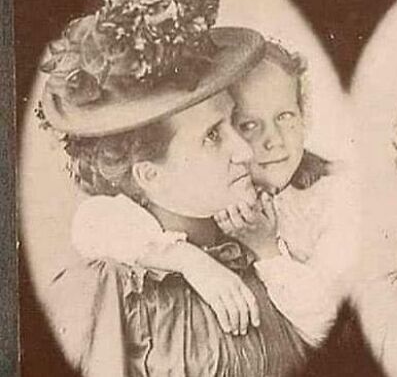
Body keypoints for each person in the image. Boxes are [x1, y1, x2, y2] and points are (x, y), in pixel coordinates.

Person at [36, 0, 322, 376]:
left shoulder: (274, 251)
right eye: (211, 136)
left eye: (233, 122)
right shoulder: (109, 290)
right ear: (150, 176)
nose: (244, 150)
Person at [68, 32, 356, 346]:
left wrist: (267, 249)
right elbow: (94, 220)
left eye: (285, 116)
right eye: (246, 125)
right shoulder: (208, 197)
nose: (261, 145)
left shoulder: (326, 198)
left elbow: (331, 326)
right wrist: (189, 260)